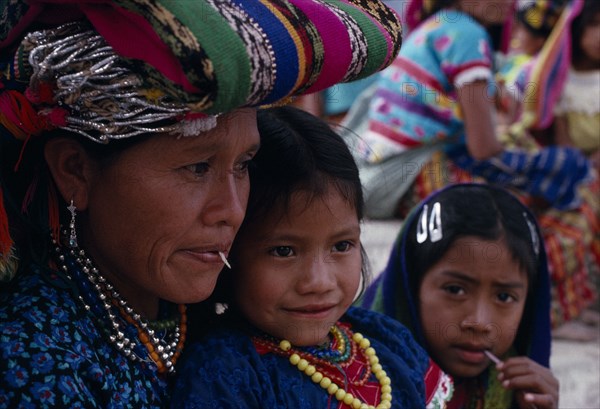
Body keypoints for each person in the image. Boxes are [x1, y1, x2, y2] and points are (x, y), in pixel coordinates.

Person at [0, 1, 404, 406]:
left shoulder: (216, 316)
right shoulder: (39, 363)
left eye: (244, 164)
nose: (231, 210)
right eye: (196, 168)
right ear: (76, 172)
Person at [341, 0, 599, 331]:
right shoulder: (468, 36)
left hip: (390, 172)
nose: (509, 4)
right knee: (568, 201)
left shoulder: (439, 25)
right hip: (417, 171)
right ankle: (536, 314)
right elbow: (484, 147)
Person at [170, 106, 452, 409]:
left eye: (342, 245)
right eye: (284, 251)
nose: (319, 282)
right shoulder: (226, 372)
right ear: (229, 250)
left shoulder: (388, 343)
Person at [360, 183, 560, 408]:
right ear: (410, 286)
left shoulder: (515, 389)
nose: (479, 322)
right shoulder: (355, 381)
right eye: (455, 290)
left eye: (504, 297)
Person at [554, 0, 600, 172]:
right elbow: (561, 131)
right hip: (574, 166)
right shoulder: (560, 75)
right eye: (593, 24)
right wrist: (576, 163)